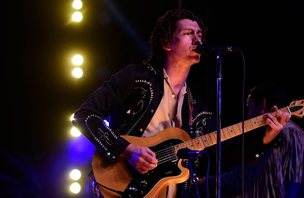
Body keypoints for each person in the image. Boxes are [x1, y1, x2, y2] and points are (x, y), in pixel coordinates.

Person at [71, 8, 291, 198]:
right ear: (167, 42)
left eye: (199, 34)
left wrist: (264, 138)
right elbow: (85, 116)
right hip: (121, 187)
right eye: (188, 33)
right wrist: (128, 150)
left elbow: (222, 158)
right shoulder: (136, 78)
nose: (198, 40)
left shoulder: (199, 110)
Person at [197, 84, 304, 198]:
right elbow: (247, 175)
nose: (248, 115)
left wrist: (205, 184)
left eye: (250, 107)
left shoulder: (290, 131)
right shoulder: (270, 138)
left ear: (262, 104)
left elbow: (300, 184)